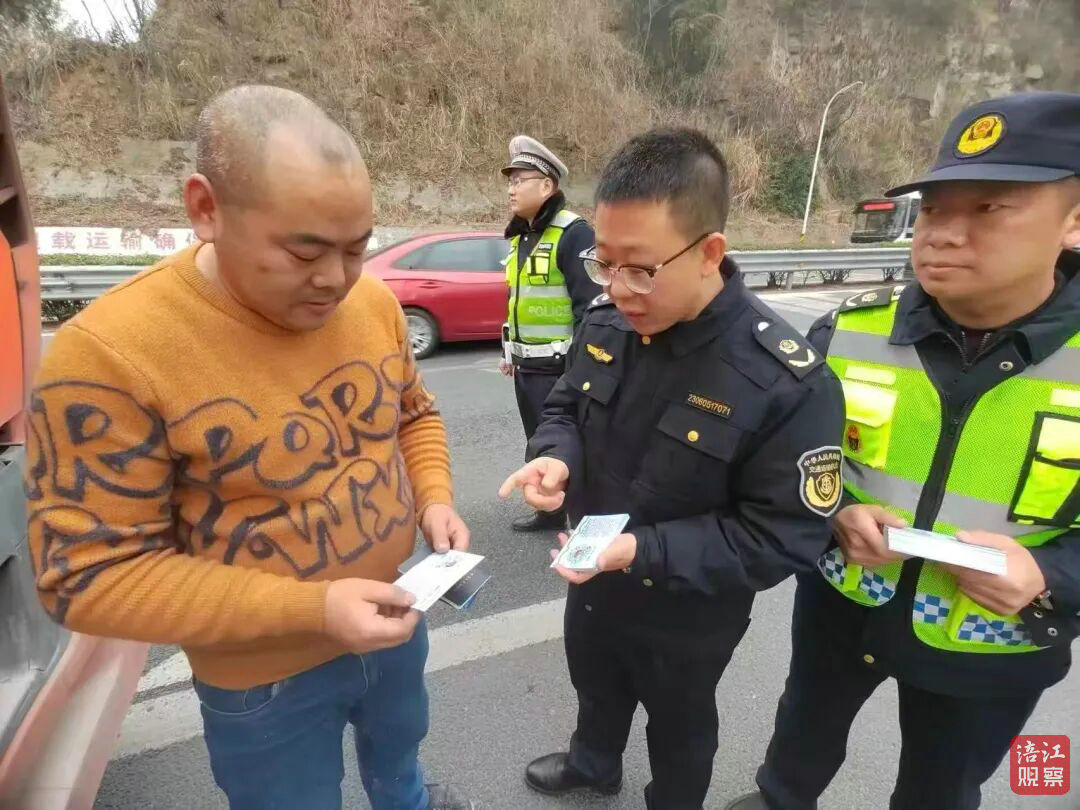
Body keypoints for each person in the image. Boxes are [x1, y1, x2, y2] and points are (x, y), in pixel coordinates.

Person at [25, 85, 474, 810]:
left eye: (357, 248)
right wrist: (315, 609)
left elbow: (413, 414)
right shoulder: (109, 355)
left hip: (396, 621)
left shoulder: (372, 302)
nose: (335, 279)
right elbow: (87, 579)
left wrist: (435, 498)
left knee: (401, 764)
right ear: (205, 208)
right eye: (305, 251)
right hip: (262, 685)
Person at [726, 92, 1080, 810]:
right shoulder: (847, 331)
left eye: (989, 208)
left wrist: (1051, 574)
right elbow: (780, 458)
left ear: (1073, 221)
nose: (943, 234)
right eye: (935, 208)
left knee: (940, 786)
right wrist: (834, 513)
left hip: (991, 638)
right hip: (844, 598)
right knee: (804, 728)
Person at [498, 128, 846, 809]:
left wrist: (639, 550)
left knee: (680, 725)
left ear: (709, 252)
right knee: (594, 683)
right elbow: (564, 408)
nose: (618, 287)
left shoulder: (785, 380)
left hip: (689, 607)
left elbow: (781, 536)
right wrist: (554, 459)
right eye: (604, 264)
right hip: (591, 574)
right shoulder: (607, 322)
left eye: (640, 269)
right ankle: (594, 762)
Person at [499, 135, 599, 532]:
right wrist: (509, 350)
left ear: (546, 185)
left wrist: (580, 368)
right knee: (538, 440)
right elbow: (518, 299)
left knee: (568, 442)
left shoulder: (573, 232)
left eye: (519, 180)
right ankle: (551, 510)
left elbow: (589, 307)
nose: (511, 189)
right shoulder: (522, 237)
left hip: (561, 368)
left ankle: (579, 519)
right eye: (509, 181)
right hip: (527, 366)